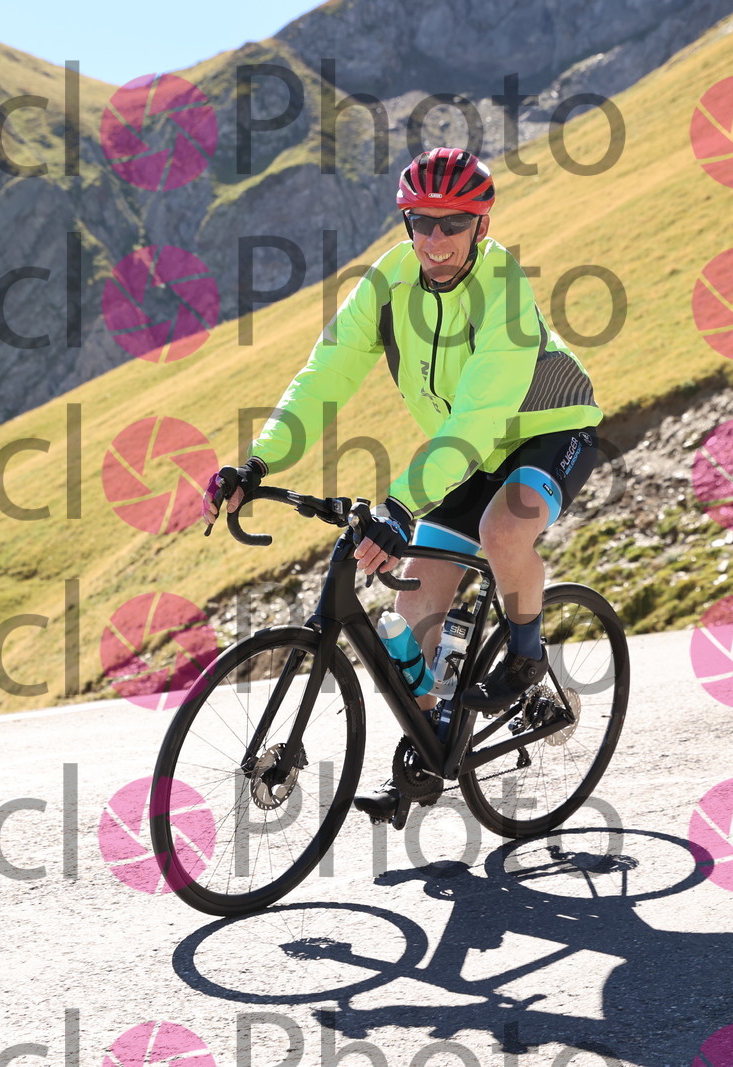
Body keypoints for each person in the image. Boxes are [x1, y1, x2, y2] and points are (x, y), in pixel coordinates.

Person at [201, 146, 603, 824]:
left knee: (503, 531)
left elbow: (478, 417)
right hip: (466, 453)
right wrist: (258, 463)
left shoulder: (503, 289)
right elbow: (324, 378)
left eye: (454, 223)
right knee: (412, 612)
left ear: (481, 224)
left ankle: (527, 659)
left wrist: (399, 504)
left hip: (548, 429)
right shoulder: (388, 284)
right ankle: (436, 745)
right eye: (421, 222)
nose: (435, 240)